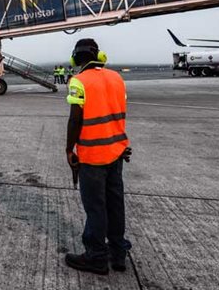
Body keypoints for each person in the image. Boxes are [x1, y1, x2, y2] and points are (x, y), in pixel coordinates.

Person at [64, 39, 131, 275]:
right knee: (115, 204)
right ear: (99, 56)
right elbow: (116, 112)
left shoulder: (78, 81)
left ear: (75, 59)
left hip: (92, 155)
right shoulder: (116, 78)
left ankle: (96, 256)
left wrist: (68, 149)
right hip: (117, 152)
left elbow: (75, 119)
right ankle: (118, 251)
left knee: (96, 208)